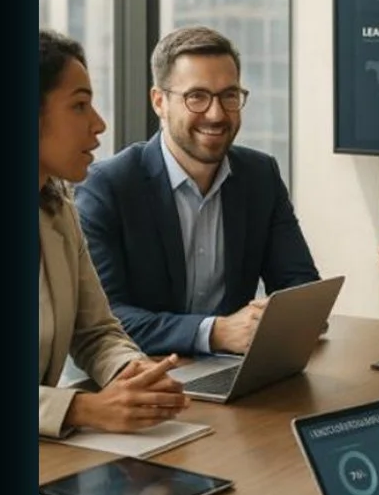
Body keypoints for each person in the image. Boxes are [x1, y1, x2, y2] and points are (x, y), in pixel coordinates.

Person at [75, 25, 320, 356]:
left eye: (229, 95)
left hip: (232, 371)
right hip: (141, 376)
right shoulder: (108, 186)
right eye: (197, 97)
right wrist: (215, 332)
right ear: (159, 101)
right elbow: (105, 318)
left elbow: (299, 286)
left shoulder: (260, 175)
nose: (217, 114)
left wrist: (275, 319)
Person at [39, 29, 189, 439]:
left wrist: (135, 373)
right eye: (79, 106)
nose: (99, 124)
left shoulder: (58, 209)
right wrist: (82, 408)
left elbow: (96, 331)